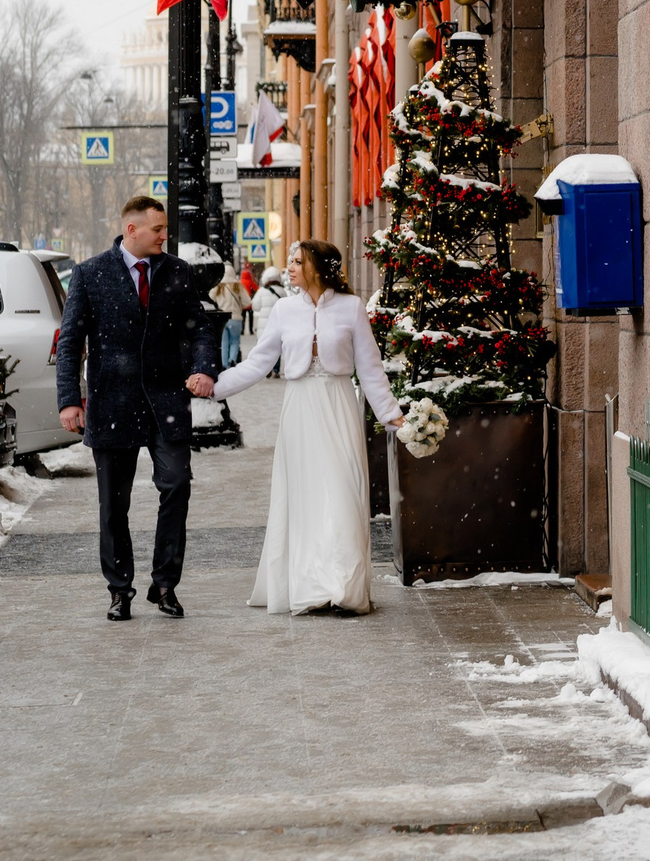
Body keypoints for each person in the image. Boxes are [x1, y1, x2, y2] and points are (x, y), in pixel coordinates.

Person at [199, 239, 402, 614]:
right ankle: (310, 587)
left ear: (318, 267)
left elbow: (370, 368)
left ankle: (344, 587)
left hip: (338, 405)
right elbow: (258, 363)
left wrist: (391, 414)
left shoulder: (351, 308)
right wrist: (216, 386)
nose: (290, 267)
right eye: (289, 261)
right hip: (299, 410)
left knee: (342, 490)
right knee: (305, 497)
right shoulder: (283, 310)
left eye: (297, 261)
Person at [55, 195, 222, 622]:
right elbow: (71, 341)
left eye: (166, 228)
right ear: (132, 230)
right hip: (113, 403)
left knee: (177, 486)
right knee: (114, 504)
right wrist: (69, 401)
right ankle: (119, 589)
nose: (166, 236)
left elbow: (201, 327)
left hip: (166, 401)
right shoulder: (91, 274)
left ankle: (165, 584)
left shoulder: (177, 272)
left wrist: (204, 368)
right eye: (158, 229)